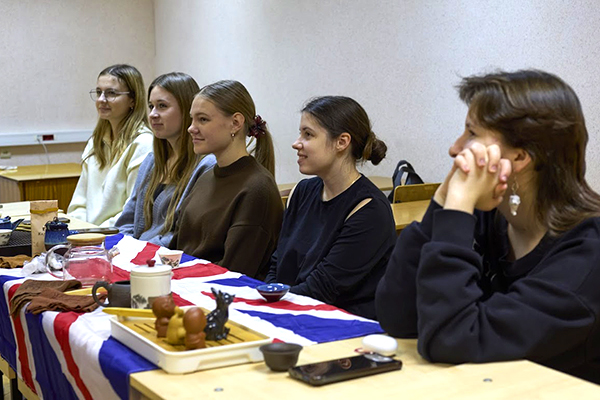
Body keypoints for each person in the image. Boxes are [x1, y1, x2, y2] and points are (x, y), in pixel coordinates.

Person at [376, 70, 600, 383]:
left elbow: (451, 340)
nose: (455, 148)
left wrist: (457, 210)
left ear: (520, 156)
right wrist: (443, 202)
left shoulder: (588, 253)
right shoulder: (489, 216)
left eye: (471, 133)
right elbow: (397, 317)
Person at [266, 96, 396, 320]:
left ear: (342, 142)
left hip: (340, 323)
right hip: (291, 309)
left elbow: (323, 289)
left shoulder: (369, 211)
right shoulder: (301, 192)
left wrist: (271, 306)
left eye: (308, 135)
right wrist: (267, 296)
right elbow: (277, 264)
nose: (296, 143)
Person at [171, 80, 283, 279]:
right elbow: (176, 250)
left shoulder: (257, 189)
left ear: (236, 123)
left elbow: (234, 272)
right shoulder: (205, 178)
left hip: (217, 292)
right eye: (192, 119)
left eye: (203, 119)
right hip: (182, 283)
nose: (191, 128)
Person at [116, 73, 216, 246]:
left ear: (187, 110)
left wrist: (138, 250)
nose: (153, 114)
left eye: (162, 106)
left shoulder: (206, 166)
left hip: (167, 257)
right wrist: (124, 248)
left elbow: (183, 236)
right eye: (151, 106)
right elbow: (126, 221)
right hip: (136, 252)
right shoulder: (151, 161)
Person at [68, 64, 153, 227]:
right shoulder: (96, 142)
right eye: (98, 92)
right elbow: (79, 204)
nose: (101, 100)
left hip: (116, 235)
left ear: (133, 100)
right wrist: (78, 230)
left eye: (111, 93)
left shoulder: (143, 143)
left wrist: (93, 234)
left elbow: (132, 212)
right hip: (87, 234)